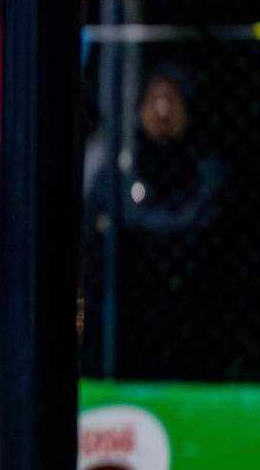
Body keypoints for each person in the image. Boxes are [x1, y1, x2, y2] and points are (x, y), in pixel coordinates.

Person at [83, 63, 226, 380]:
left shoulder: (203, 168)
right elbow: (95, 228)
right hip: (125, 307)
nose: (161, 109)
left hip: (185, 304)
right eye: (154, 100)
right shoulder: (119, 168)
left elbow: (198, 232)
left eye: (172, 100)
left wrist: (131, 228)